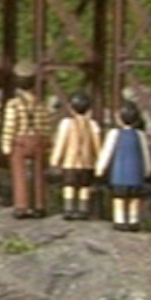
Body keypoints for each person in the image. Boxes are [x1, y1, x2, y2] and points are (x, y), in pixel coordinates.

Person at [0, 61, 54, 219]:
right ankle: (39, 205)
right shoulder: (40, 103)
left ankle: (21, 206)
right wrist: (48, 143)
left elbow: (10, 125)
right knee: (39, 173)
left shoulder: (13, 104)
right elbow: (46, 125)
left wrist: (6, 145)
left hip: (21, 141)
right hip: (37, 140)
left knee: (19, 173)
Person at [94, 101, 151, 231]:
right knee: (134, 199)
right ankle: (133, 220)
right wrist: (148, 170)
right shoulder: (140, 135)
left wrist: (100, 168)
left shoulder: (114, 134)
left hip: (119, 175)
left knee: (119, 199)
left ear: (120, 118)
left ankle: (120, 220)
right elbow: (145, 154)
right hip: (136, 175)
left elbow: (107, 152)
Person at [49, 92, 102, 220]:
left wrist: (55, 159)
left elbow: (61, 143)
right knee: (84, 186)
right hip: (87, 163)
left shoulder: (66, 124)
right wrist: (99, 160)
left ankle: (69, 209)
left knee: (69, 185)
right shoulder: (93, 125)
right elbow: (97, 145)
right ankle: (83, 210)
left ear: (71, 107)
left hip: (70, 162)